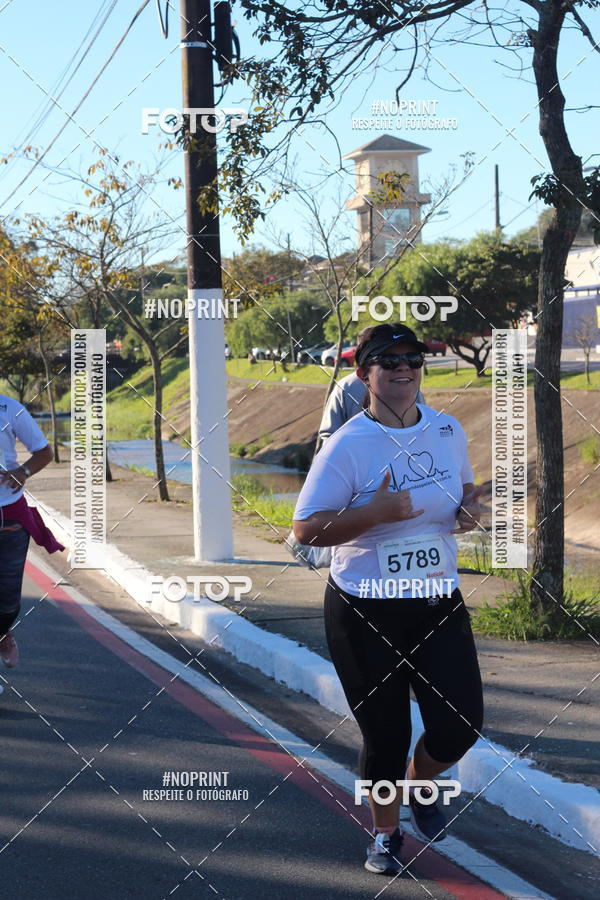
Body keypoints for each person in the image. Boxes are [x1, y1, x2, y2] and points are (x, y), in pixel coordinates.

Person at [292, 323, 484, 876]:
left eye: (413, 360)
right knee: (387, 732)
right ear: (364, 373)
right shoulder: (347, 445)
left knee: (460, 724)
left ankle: (420, 787)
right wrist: (372, 515)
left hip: (435, 600)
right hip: (364, 608)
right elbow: (306, 529)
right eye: (388, 360)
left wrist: (468, 512)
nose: (403, 369)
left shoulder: (447, 430)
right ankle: (385, 833)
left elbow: (461, 496)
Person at [0, 395, 64, 669]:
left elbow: (44, 451)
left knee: (7, 604)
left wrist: (23, 471)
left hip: (9, 517)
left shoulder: (9, 408)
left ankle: (3, 634)